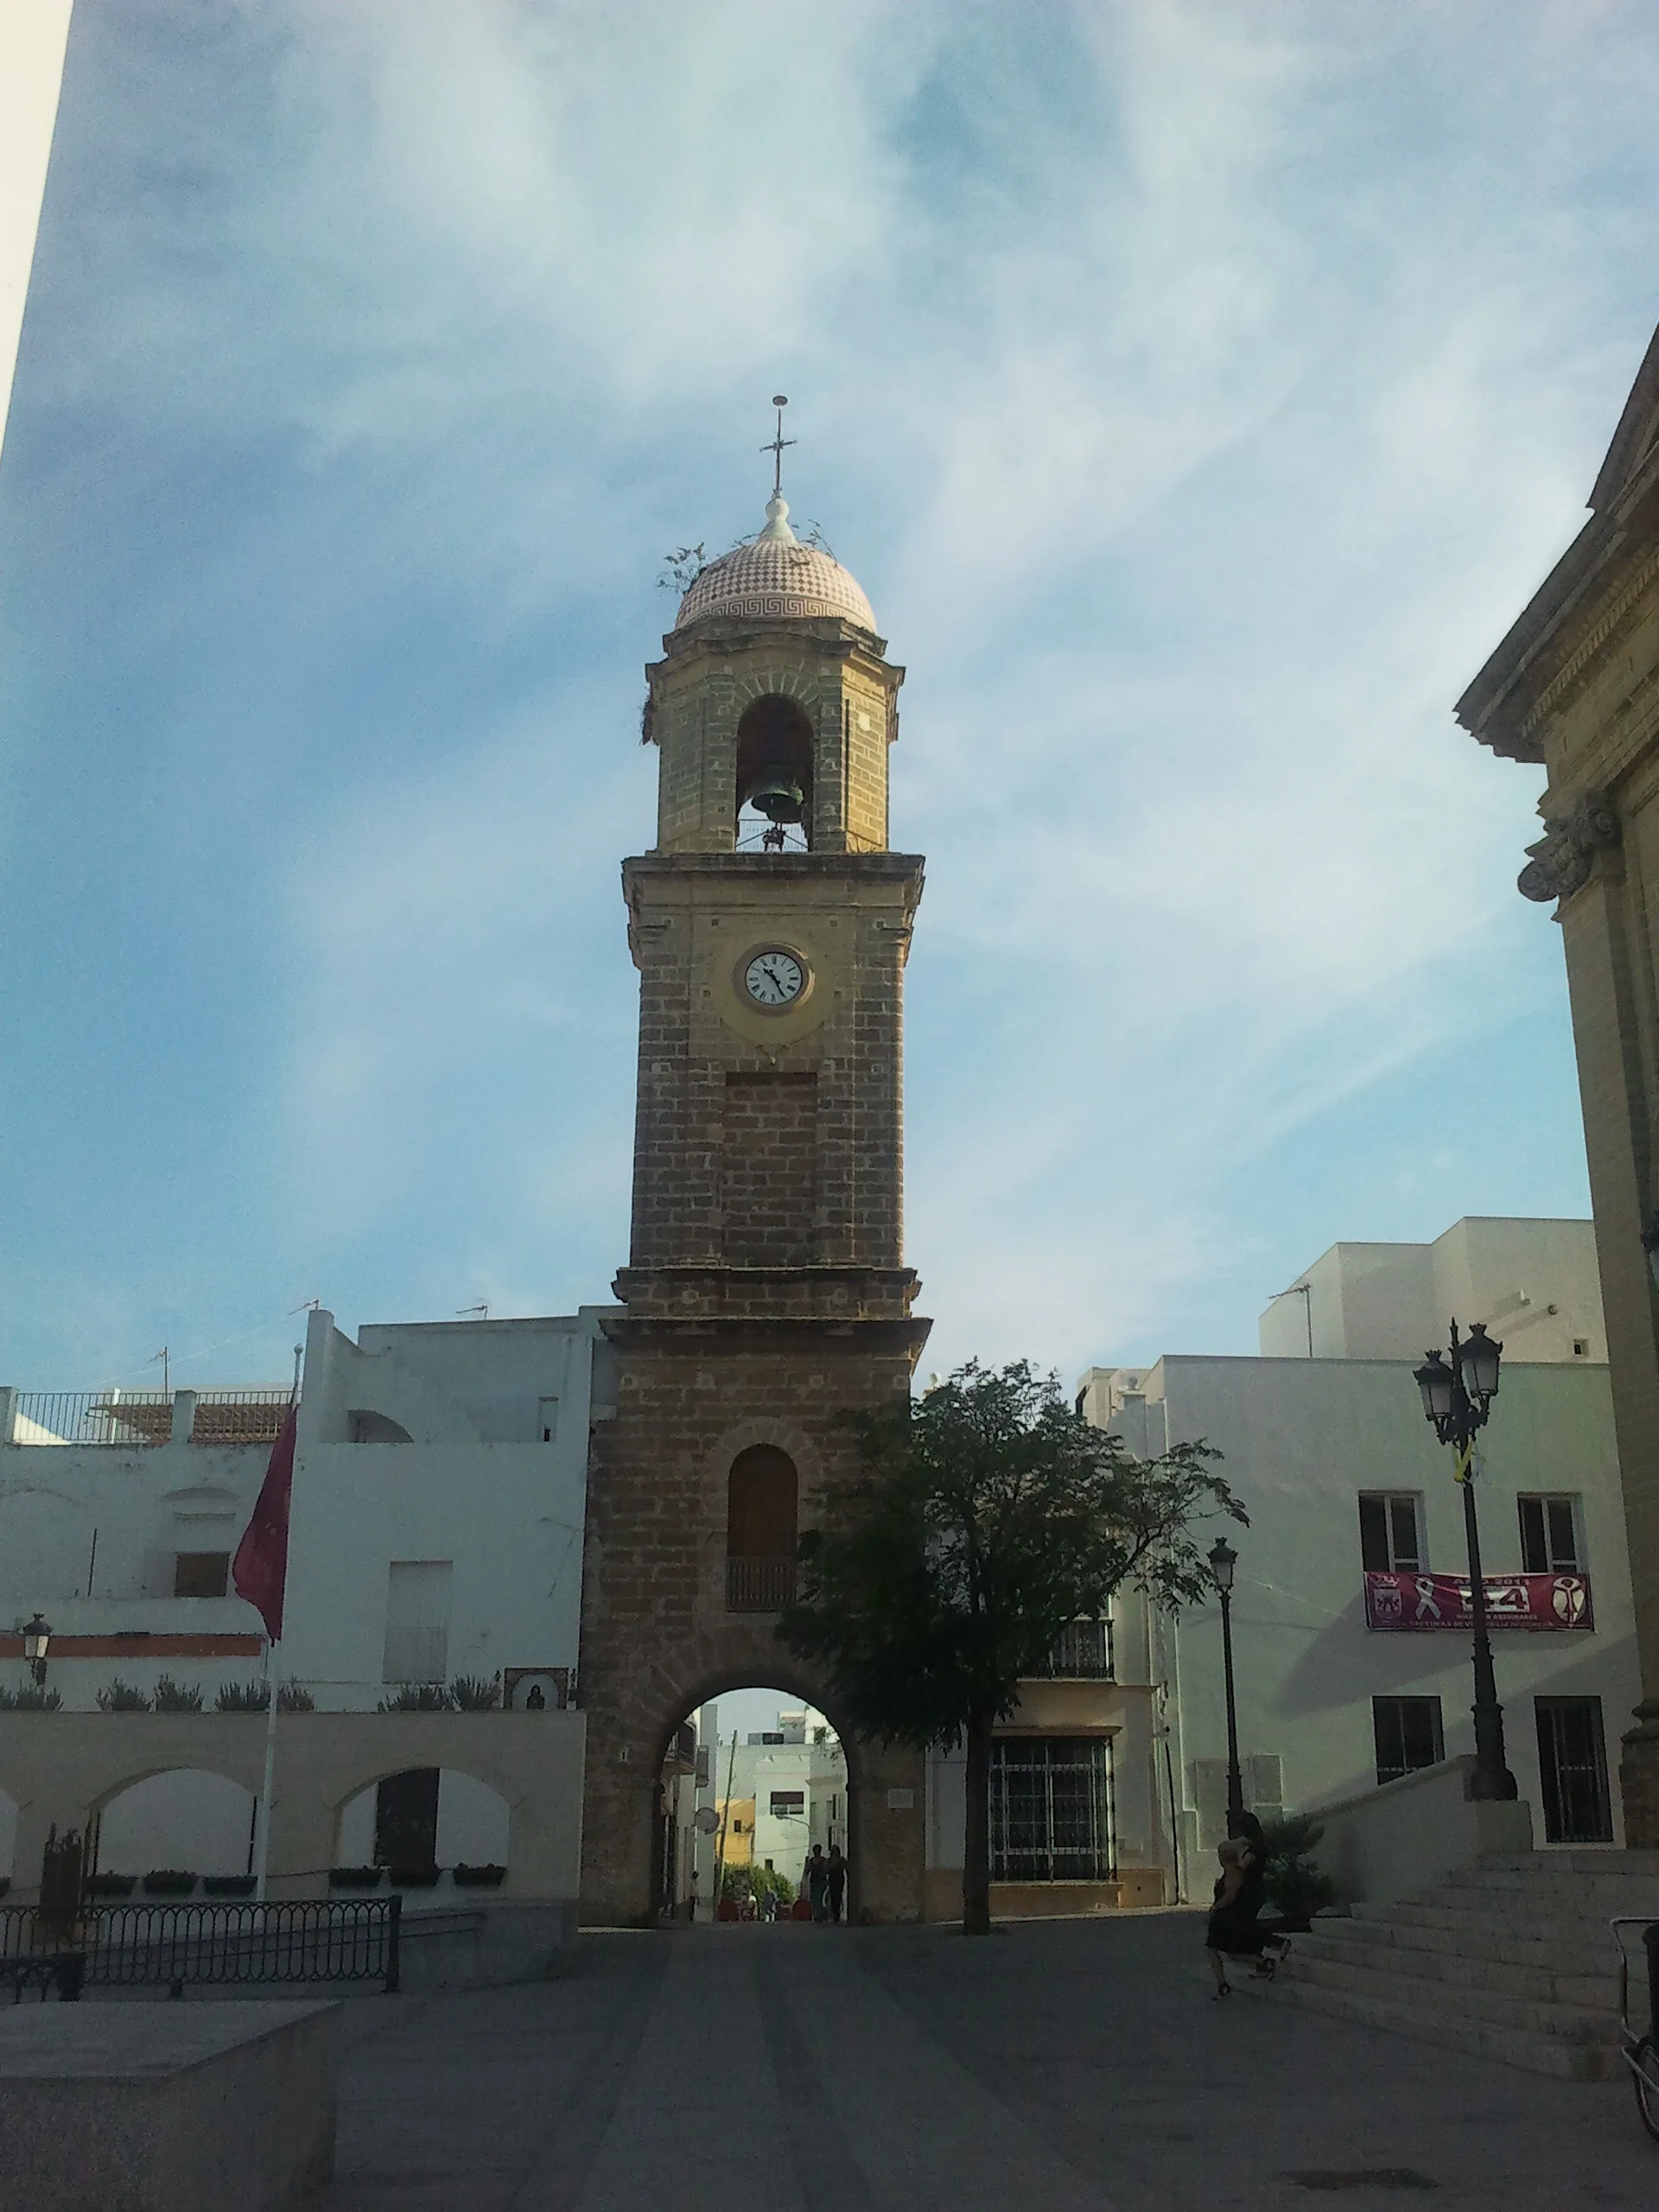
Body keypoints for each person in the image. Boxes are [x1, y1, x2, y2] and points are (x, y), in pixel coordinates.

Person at [1205, 1812, 1283, 1997]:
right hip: (1235, 1906)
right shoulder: (1247, 1854)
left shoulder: (1241, 1864)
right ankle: (1262, 1962)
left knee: (1222, 1948)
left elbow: (1231, 1893)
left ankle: (1267, 1956)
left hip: (1229, 1910)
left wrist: (1215, 1908)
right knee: (1227, 1949)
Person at [805, 1844, 830, 1923]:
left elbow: (826, 1870)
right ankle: (816, 1915)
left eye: (818, 1850)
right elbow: (807, 1870)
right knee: (814, 1899)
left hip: (821, 1882)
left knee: (820, 1898)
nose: (816, 1852)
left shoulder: (823, 1860)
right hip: (814, 1882)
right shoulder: (812, 1861)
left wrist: (822, 1873)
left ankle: (820, 1915)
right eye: (815, 1850)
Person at [826, 1843, 848, 1924]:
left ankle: (837, 1914)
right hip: (832, 1880)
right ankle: (834, 1914)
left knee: (838, 1896)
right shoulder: (829, 1860)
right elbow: (826, 1869)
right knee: (833, 1897)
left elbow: (846, 1867)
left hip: (839, 1879)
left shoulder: (841, 1859)